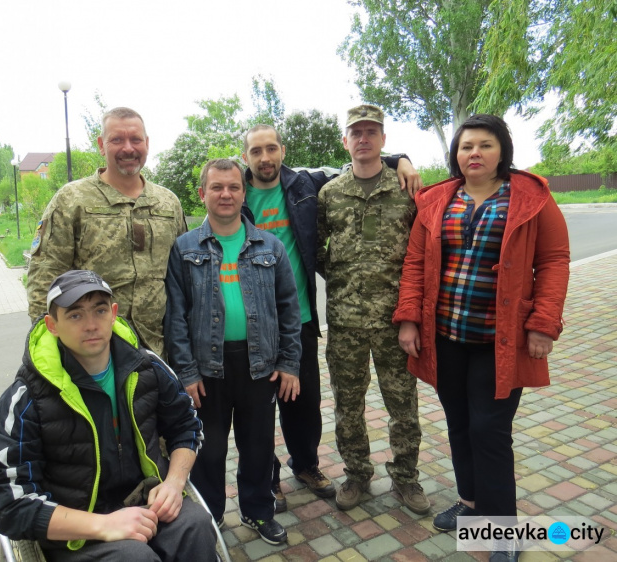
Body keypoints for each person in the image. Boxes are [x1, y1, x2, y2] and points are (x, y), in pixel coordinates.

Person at [393, 114, 570, 561]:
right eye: (466, 145)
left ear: (502, 151)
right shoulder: (437, 200)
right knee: (459, 424)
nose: (474, 152)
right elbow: (415, 262)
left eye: (485, 145)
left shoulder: (531, 198)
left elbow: (554, 261)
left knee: (490, 430)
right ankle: (471, 505)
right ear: (456, 153)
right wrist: (409, 320)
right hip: (448, 336)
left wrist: (543, 324)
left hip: (501, 340)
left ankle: (502, 531)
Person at [241, 123, 423, 511]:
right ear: (246, 157)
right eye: (256, 151)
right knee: (258, 410)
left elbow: (362, 161)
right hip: (252, 319)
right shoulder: (235, 191)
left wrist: (400, 159)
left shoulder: (308, 186)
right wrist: (341, 276)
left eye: (271, 148)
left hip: (300, 316)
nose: (265, 157)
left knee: (305, 403)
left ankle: (308, 465)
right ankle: (269, 479)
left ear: (283, 151)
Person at [0, 270, 215, 562]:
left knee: (195, 526)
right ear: (52, 325)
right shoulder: (26, 398)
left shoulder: (148, 369)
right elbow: (10, 505)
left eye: (100, 310)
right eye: (75, 315)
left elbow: (187, 427)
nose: (91, 325)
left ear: (114, 314)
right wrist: (103, 525)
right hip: (75, 529)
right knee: (134, 558)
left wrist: (174, 483)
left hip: (146, 502)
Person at [164, 158, 302, 546]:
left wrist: (290, 363)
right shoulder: (185, 247)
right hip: (206, 368)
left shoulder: (269, 246)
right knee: (207, 451)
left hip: (260, 364)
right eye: (217, 187)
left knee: (258, 445)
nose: (226, 194)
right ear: (202, 193)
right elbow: (176, 317)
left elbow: (289, 309)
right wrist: (186, 373)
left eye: (233, 187)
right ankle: (210, 517)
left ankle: (258, 511)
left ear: (244, 193)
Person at [317, 104, 429, 514]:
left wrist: (412, 312)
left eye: (371, 132)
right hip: (345, 322)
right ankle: (357, 474)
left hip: (395, 321)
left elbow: (423, 252)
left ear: (384, 140)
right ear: (345, 141)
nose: (363, 139)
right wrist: (344, 281)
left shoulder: (406, 189)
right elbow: (316, 248)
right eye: (356, 133)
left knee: (403, 404)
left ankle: (406, 478)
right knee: (348, 406)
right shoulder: (329, 194)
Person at [26, 107, 187, 356]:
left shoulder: (168, 203)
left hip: (158, 349)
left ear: (147, 143)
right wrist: (49, 347)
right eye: (117, 140)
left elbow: (182, 280)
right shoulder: (72, 200)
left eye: (135, 139)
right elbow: (44, 278)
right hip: (93, 353)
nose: (128, 148)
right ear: (102, 145)